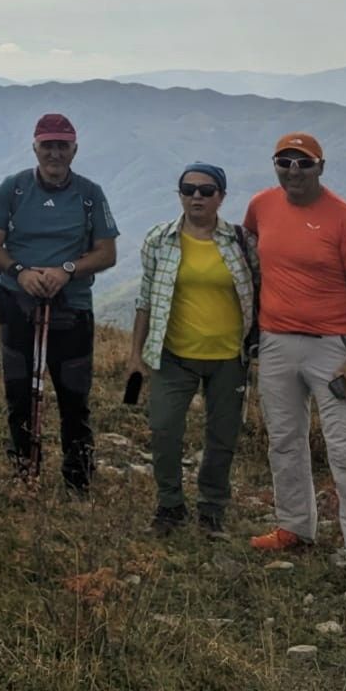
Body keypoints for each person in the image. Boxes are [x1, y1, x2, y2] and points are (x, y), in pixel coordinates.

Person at [243, 132, 346, 586]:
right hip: (275, 341)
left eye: (303, 163)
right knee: (284, 441)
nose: (293, 170)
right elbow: (252, 260)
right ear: (275, 165)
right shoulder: (261, 207)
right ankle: (294, 526)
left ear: (320, 168)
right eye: (284, 161)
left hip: (333, 346)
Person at [0, 113, 119, 493]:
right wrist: (20, 271)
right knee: (19, 391)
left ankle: (78, 481)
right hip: (17, 301)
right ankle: (24, 472)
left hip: (71, 306)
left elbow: (107, 253)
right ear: (35, 148)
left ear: (74, 149)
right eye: (48, 145)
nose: (55, 153)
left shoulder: (90, 194)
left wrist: (67, 270)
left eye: (62, 145)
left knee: (74, 396)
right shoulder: (14, 188)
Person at [127, 163, 258, 535]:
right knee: (164, 430)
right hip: (173, 355)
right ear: (179, 194)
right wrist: (136, 355)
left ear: (222, 196)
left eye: (207, 190)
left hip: (229, 357)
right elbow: (146, 300)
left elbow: (259, 292)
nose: (197, 196)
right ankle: (170, 505)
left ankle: (212, 510)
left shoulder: (242, 241)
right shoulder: (159, 239)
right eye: (188, 189)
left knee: (222, 436)